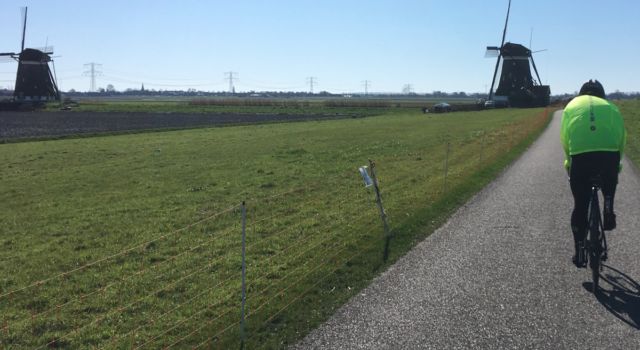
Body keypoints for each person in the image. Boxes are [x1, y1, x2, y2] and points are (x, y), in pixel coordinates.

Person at [560, 79, 626, 268]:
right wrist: (617, 165)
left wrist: (569, 163)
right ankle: (608, 207)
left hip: (580, 158)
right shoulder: (611, 107)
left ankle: (580, 251)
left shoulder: (571, 106)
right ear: (602, 94)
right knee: (609, 181)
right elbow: (621, 137)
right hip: (608, 157)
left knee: (580, 205)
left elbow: (566, 139)